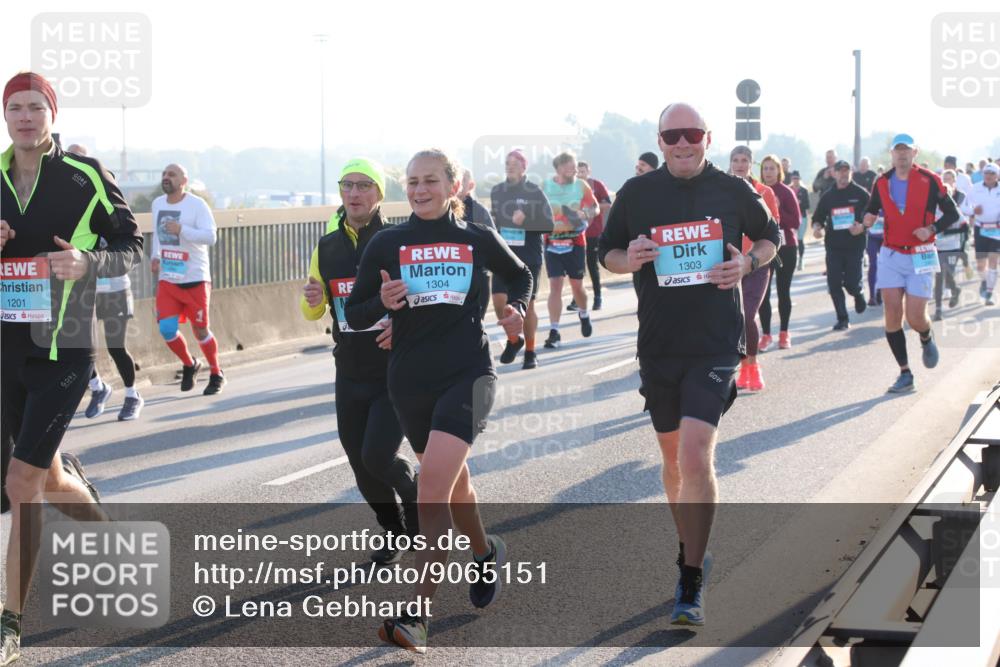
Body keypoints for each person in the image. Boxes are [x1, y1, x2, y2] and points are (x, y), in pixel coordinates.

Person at [346, 149, 533, 654]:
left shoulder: (475, 237)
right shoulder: (388, 242)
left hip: (469, 376)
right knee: (453, 486)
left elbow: (521, 275)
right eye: (412, 182)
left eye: (430, 180)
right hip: (409, 383)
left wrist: (515, 308)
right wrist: (381, 305)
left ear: (454, 186)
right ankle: (485, 550)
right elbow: (355, 310)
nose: (420, 189)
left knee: (431, 489)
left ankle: (417, 614)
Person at [601, 103, 779, 627]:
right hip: (658, 345)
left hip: (715, 344)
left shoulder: (733, 189)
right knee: (675, 461)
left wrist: (747, 261)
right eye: (673, 135)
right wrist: (626, 257)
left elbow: (772, 240)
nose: (683, 143)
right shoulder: (637, 193)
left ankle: (691, 577)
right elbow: (606, 253)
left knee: (699, 455)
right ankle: (692, 547)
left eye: (692, 134)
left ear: (708, 137)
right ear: (660, 140)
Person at [1, 71, 143, 666]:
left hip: (63, 351)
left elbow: (132, 246)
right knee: (49, 478)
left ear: (52, 115)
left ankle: (9, 624)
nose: (26, 117)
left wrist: (88, 262)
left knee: (21, 485)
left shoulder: (83, 175)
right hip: (6, 351)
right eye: (16, 108)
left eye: (36, 107)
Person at [301, 157, 418, 565]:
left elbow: (421, 300)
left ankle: (416, 502)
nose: (354, 193)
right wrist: (313, 300)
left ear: (379, 193)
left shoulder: (395, 240)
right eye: (347, 185)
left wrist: (402, 328)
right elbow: (314, 310)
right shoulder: (326, 245)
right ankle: (394, 530)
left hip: (392, 368)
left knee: (377, 456)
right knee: (358, 462)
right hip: (348, 368)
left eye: (364, 185)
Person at [863, 134, 958, 393]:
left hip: (921, 253)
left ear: (914, 152)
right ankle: (905, 373)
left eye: (907, 150)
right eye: (897, 150)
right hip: (891, 254)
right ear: (892, 154)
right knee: (892, 313)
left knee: (915, 316)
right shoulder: (881, 182)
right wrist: (868, 218)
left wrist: (932, 228)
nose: (902, 155)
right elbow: (871, 209)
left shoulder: (930, 180)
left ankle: (926, 336)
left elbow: (953, 214)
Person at [150, 163, 225, 395]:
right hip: (168, 278)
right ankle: (190, 363)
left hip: (195, 278)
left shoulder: (197, 205)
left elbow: (210, 237)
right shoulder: (157, 204)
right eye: (163, 174)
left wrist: (182, 229)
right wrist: (154, 256)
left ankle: (216, 372)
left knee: (201, 330)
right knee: (166, 329)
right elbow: (157, 235)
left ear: (184, 181)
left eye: (171, 174)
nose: (166, 177)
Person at [490, 150, 554, 369]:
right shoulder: (497, 191)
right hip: (503, 255)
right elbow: (494, 222)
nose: (510, 167)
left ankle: (530, 351)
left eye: (515, 163)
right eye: (507, 163)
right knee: (499, 301)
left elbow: (549, 225)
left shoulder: (534, 191)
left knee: (526, 305)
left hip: (528, 256)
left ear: (524, 167)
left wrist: (526, 221)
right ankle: (514, 341)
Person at [730, 146, 778, 391]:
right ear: (730, 164)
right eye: (736, 160)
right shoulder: (723, 190)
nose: (740, 164)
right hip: (730, 264)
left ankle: (753, 366)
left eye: (744, 160)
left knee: (748, 314)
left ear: (751, 164)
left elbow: (773, 230)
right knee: (733, 318)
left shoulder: (764, 192)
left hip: (757, 263)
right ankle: (740, 365)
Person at [541, 151, 597, 348]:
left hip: (575, 242)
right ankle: (554, 331)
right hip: (552, 242)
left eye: (574, 165)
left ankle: (584, 313)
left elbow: (595, 208)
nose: (574, 169)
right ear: (559, 168)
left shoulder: (581, 185)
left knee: (576, 286)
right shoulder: (547, 186)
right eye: (569, 166)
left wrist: (585, 213)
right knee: (555, 285)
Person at [812, 160, 870, 330]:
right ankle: (842, 318)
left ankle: (858, 293)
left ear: (850, 173)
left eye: (846, 171)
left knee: (851, 283)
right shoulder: (828, 196)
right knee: (834, 283)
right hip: (834, 246)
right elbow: (818, 218)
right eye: (840, 171)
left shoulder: (861, 194)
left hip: (855, 246)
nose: (843, 174)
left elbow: (872, 214)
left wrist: (862, 227)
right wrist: (817, 229)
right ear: (835, 173)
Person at [759, 154, 800, 349]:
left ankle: (784, 332)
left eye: (772, 168)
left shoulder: (786, 192)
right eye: (765, 168)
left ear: (779, 171)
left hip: (786, 247)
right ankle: (766, 334)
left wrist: (776, 207)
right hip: (764, 247)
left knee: (784, 291)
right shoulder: (756, 191)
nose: (768, 172)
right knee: (763, 293)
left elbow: (796, 222)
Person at [570, 160, 612, 311]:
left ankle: (598, 298)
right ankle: (577, 299)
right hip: (575, 233)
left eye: (583, 171)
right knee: (577, 268)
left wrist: (590, 208)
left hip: (593, 232)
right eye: (578, 172)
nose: (580, 174)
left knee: (592, 266)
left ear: (589, 171)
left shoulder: (596, 185)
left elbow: (607, 204)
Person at [932, 170, 971, 320]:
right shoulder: (933, 209)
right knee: (939, 276)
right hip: (938, 247)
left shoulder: (954, 210)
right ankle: (938, 310)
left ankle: (955, 289)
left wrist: (962, 248)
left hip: (953, 247)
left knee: (947, 275)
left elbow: (965, 227)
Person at [457, 168, 495, 318]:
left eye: (463, 181)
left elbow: (493, 245)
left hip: (477, 278)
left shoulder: (479, 212)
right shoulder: (438, 210)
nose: (458, 184)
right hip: (449, 280)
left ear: (471, 186)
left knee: (476, 326)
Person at [968, 163, 1000, 305]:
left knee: (993, 261)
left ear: (997, 176)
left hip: (997, 230)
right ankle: (984, 281)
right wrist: (974, 211)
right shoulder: (975, 188)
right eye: (986, 173)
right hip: (980, 228)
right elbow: (964, 206)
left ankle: (989, 293)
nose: (988, 176)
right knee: (981, 265)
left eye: (992, 173)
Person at [790, 171, 811, 269]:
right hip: (791, 217)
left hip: (802, 217)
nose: (795, 180)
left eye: (797, 178)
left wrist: (799, 203)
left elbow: (807, 205)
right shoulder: (788, 189)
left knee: (800, 239)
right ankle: (793, 259)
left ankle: (801, 259)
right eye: (794, 178)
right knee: (792, 240)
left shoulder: (804, 190)